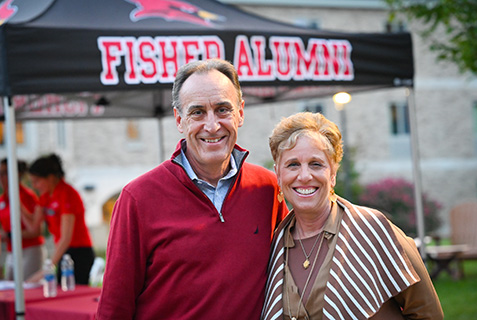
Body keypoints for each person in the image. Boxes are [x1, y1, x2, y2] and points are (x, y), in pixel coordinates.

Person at [96, 59, 288, 320]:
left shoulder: (267, 188)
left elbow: (293, 271)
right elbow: (113, 310)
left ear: (240, 113)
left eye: (223, 110)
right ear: (179, 119)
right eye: (197, 112)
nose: (212, 126)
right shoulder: (137, 199)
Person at [262, 112, 443, 320]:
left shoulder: (373, 229)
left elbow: (428, 314)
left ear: (333, 175)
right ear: (278, 174)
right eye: (293, 164)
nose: (304, 176)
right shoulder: (274, 244)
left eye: (316, 164)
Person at [25, 154, 95, 285]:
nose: (34, 186)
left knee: (71, 297)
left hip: (79, 252)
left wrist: (48, 267)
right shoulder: (45, 196)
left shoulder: (68, 194)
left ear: (50, 178)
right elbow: (34, 226)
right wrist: (19, 206)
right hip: (63, 251)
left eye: (37, 181)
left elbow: (66, 238)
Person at [0, 158, 45, 280]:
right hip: (11, 250)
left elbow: (35, 230)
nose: (1, 178)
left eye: (4, 173)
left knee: (27, 287)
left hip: (29, 249)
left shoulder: (28, 196)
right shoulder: (2, 199)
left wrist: (10, 235)